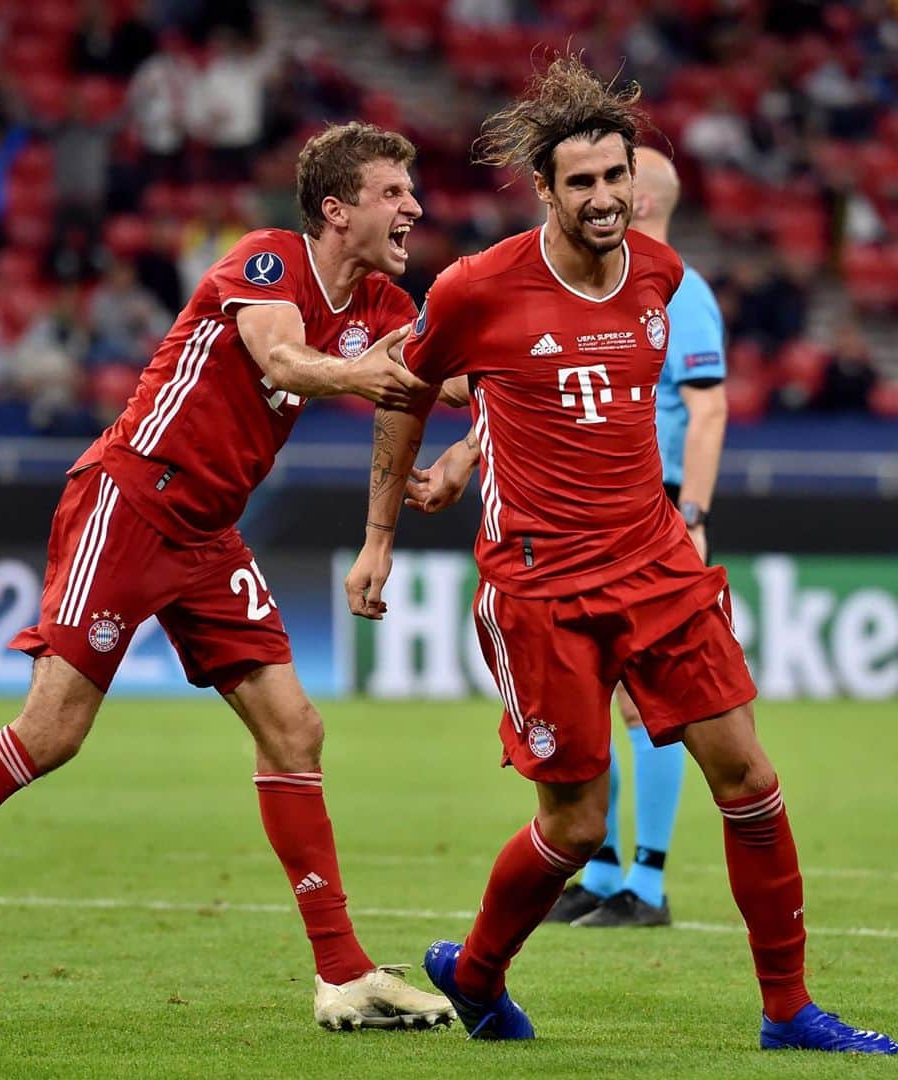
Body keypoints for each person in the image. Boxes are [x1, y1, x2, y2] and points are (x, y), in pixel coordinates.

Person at [0, 122, 454, 1035]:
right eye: (396, 192)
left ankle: (343, 973)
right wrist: (372, 377)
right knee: (53, 730)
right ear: (336, 208)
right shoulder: (268, 262)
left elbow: (445, 378)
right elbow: (283, 360)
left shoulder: (386, 305)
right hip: (132, 499)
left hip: (207, 533)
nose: (414, 208)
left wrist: (486, 415)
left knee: (294, 730)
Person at [344, 58, 896, 1053]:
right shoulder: (478, 288)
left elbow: (571, 401)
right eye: (582, 182)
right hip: (541, 585)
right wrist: (383, 533)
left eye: (616, 179)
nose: (604, 198)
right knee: (574, 829)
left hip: (654, 563)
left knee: (752, 779)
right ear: (547, 191)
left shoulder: (663, 276)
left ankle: (788, 1012)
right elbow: (406, 388)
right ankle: (475, 974)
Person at [547, 147, 730, 928]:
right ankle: (603, 871)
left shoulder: (677, 287)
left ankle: (645, 885)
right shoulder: (607, 292)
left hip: (652, 515)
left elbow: (708, 406)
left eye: (608, 183)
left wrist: (690, 514)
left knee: (640, 700)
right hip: (589, 515)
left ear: (639, 201)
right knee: (587, 697)